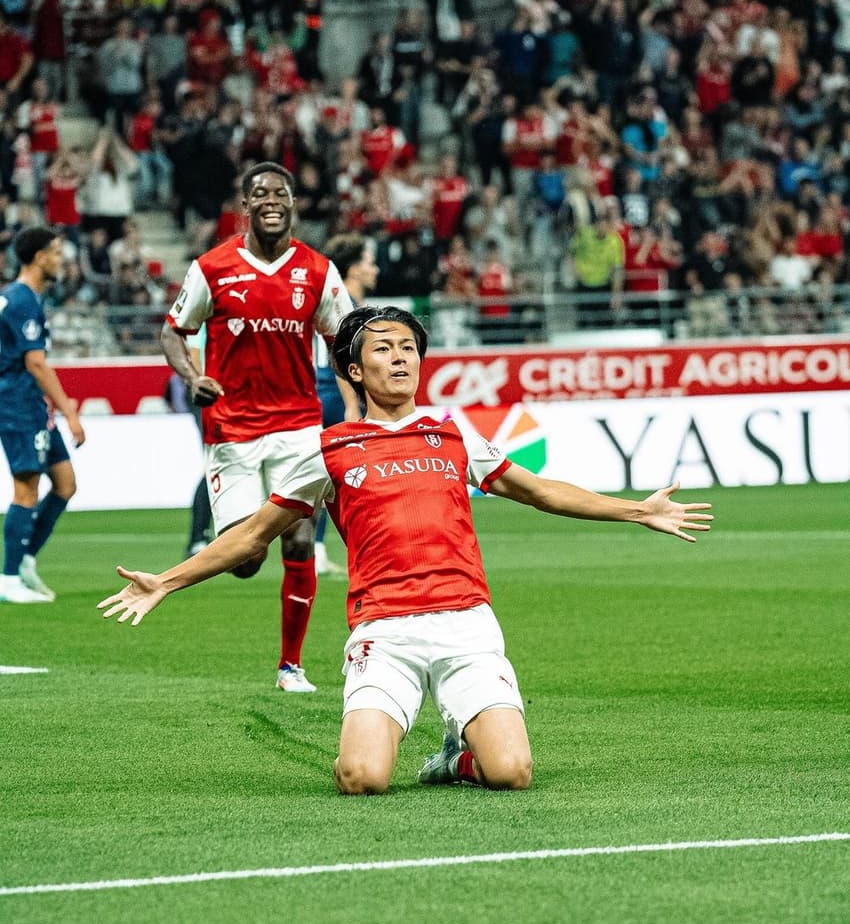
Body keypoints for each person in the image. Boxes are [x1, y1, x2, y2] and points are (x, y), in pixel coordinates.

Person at [99, 306, 714, 794]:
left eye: (409, 348)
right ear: (357, 372)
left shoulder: (452, 437)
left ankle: (456, 756)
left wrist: (638, 509)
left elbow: (541, 492)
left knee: (513, 773)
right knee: (361, 779)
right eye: (384, 349)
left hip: (467, 625)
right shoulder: (330, 450)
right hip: (384, 633)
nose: (401, 358)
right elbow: (252, 534)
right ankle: (427, 735)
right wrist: (168, 580)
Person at [160, 161, 358, 693]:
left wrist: (358, 410)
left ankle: (290, 665)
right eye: (260, 194)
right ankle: (243, 544)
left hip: (297, 424)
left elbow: (345, 342)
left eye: (281, 192)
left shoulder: (318, 270)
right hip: (234, 429)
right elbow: (174, 331)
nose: (272, 200)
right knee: (245, 557)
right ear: (244, 206)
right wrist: (192, 375)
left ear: (293, 203)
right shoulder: (213, 267)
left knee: (298, 539)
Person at [0, 227, 85, 604]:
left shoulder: (22, 298)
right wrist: (69, 411)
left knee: (65, 483)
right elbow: (36, 363)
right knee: (27, 488)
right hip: (17, 404)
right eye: (55, 252)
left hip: (32, 405)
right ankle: (8, 578)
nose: (60, 259)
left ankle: (26, 559)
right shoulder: (21, 302)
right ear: (38, 257)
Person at [313, 232, 378, 577]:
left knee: (328, 476)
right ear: (353, 268)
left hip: (321, 394)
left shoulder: (333, 302)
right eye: (369, 261)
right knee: (348, 476)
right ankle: (350, 550)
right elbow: (341, 357)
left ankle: (318, 549)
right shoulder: (347, 305)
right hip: (336, 397)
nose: (375, 268)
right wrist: (353, 405)